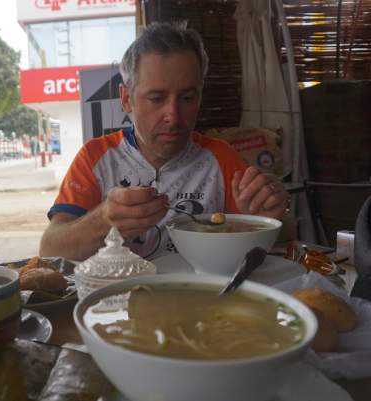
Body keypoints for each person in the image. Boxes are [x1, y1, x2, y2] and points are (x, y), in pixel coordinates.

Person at [40, 22, 289, 261]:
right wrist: (103, 221)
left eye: (187, 98)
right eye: (157, 98)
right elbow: (50, 249)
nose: (173, 116)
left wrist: (268, 220)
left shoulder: (221, 158)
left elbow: (279, 243)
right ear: (126, 99)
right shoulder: (96, 158)